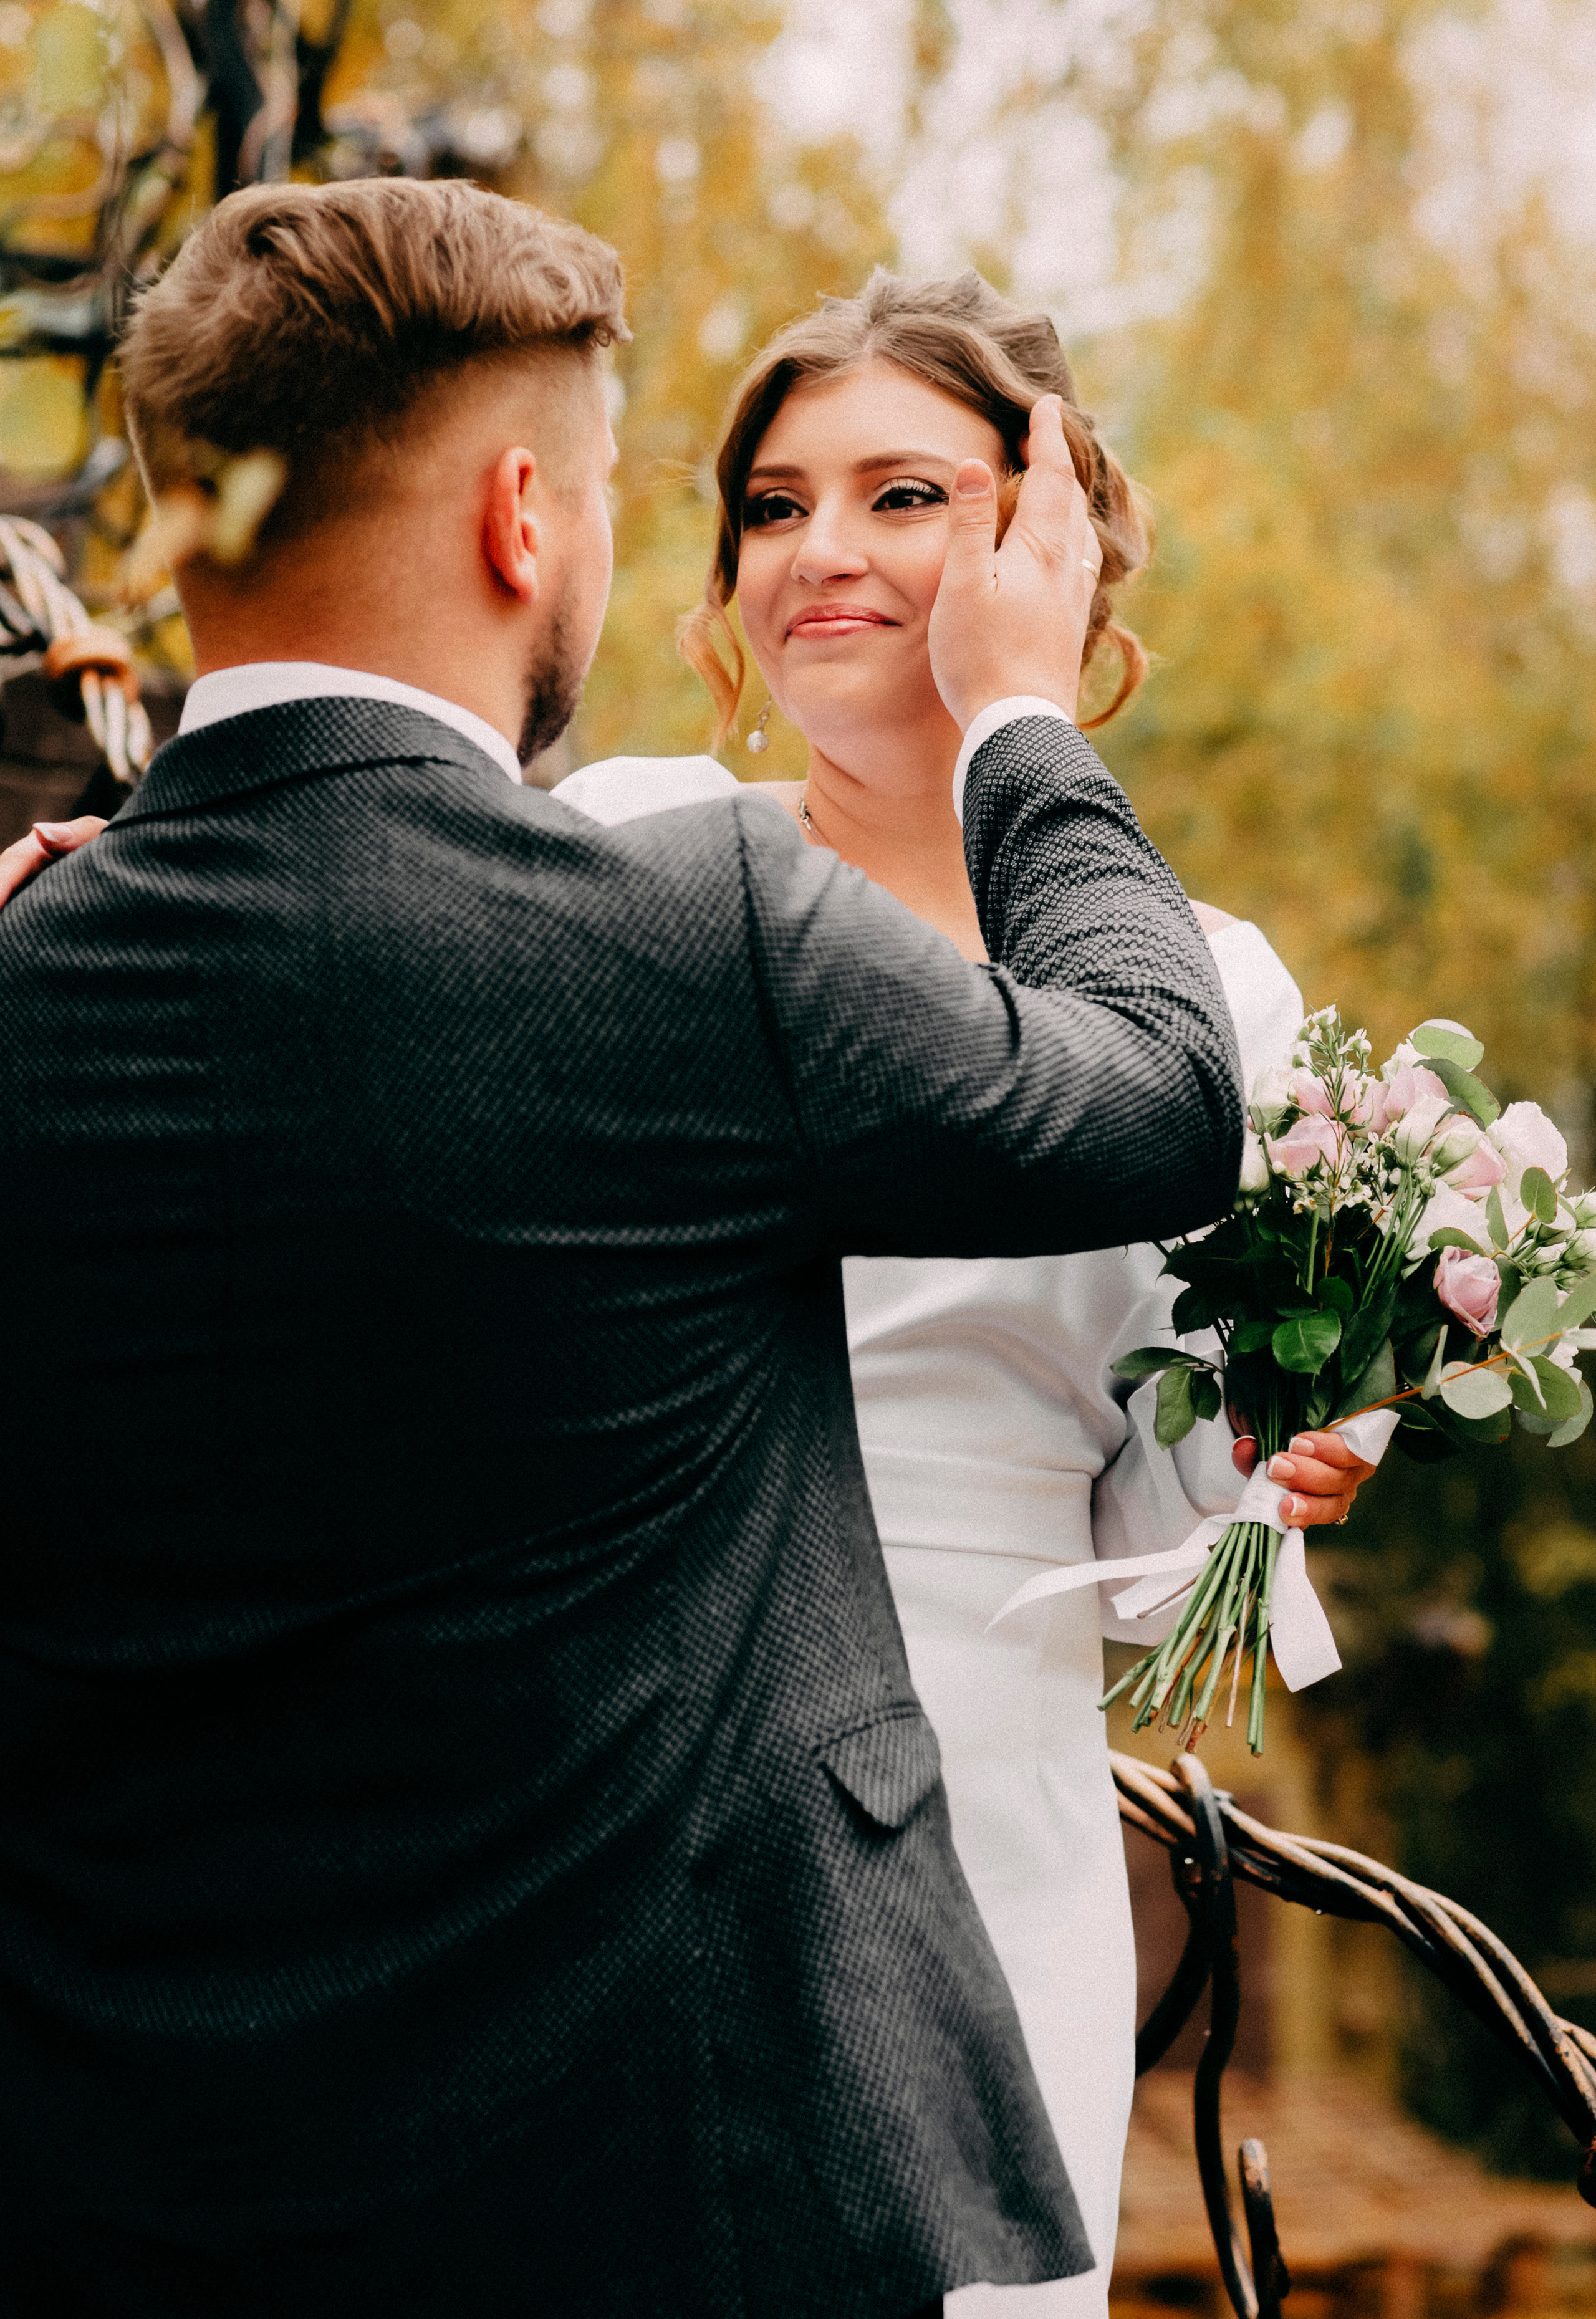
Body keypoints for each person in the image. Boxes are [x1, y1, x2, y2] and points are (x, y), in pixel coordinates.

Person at [0, 182, 1244, 2316]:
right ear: (519, 520)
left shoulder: (31, 962)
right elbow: (1152, 1093)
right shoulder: (690, 935)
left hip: (112, 2188)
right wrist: (1030, 725)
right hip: (647, 2175)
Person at [551, 268, 1377, 2316]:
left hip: (981, 1797)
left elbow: (1149, 1555)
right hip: (601, 1787)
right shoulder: (612, 853)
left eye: (901, 495)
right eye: (770, 503)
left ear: (1047, 538)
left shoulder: (1214, 994)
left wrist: (1283, 1462)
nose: (817, 553)